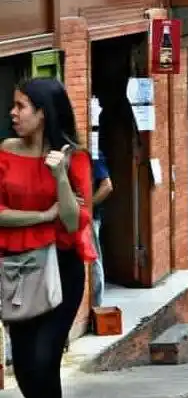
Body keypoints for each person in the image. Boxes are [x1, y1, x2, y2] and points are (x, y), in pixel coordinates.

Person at [0, 78, 94, 397]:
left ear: (42, 113)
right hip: (18, 269)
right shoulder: (6, 151)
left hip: (61, 268)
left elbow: (72, 221)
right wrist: (42, 216)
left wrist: (60, 176)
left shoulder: (75, 158)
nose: (13, 113)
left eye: (21, 106)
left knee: (44, 360)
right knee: (24, 365)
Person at [89, 153, 114, 308]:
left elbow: (107, 186)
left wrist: (88, 206)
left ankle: (96, 305)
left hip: (91, 218)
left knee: (93, 259)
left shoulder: (94, 153)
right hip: (88, 216)